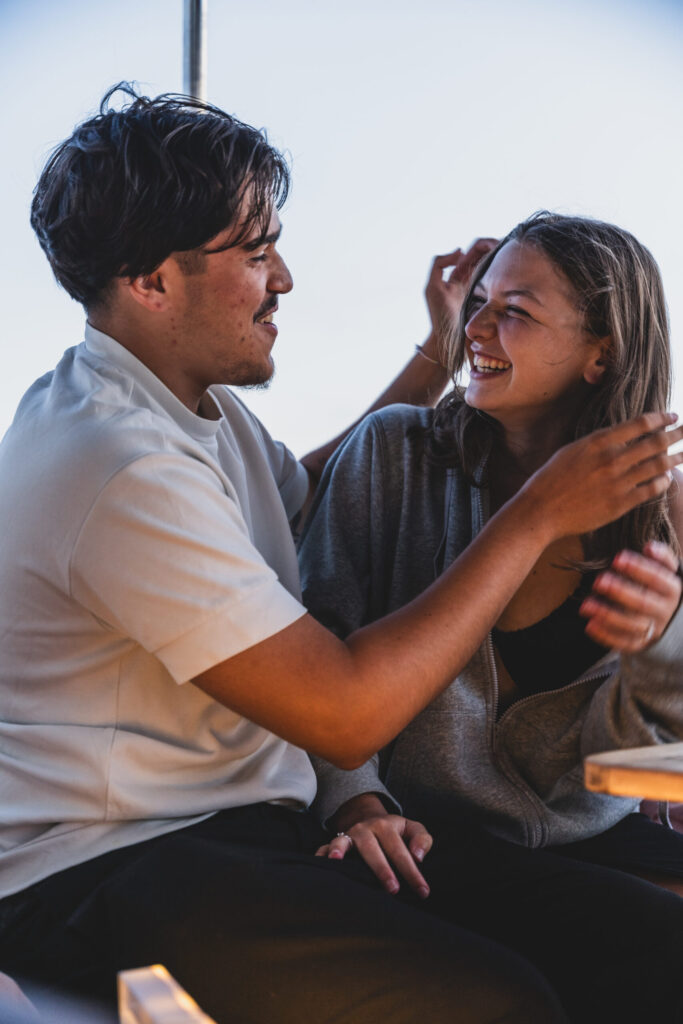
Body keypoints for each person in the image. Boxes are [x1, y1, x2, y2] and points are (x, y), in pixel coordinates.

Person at [0, 86, 680, 1024]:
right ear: (150, 279)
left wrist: (438, 357)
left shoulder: (190, 410)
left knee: (647, 953)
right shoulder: (118, 465)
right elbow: (345, 715)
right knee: (498, 1006)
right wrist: (532, 515)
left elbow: (302, 490)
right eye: (254, 251)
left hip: (244, 830)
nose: (282, 278)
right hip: (104, 866)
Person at [299, 212, 683, 1023]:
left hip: (583, 832)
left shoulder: (663, 510)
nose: (472, 327)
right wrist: (355, 802)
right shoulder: (392, 453)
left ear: (601, 352)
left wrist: (660, 653)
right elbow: (315, 640)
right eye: (478, 300)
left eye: (514, 309)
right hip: (414, 828)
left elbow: (650, 761)